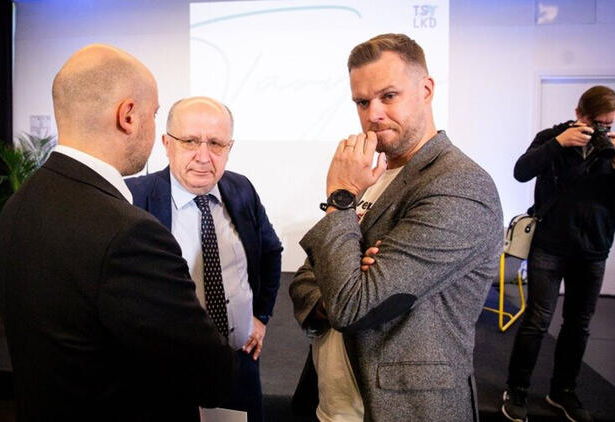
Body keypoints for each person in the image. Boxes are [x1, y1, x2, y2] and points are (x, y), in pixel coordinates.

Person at [0, 44, 238, 421]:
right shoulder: (129, 234)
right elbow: (212, 377)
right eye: (154, 114)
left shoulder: (19, 204)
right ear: (128, 116)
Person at [289, 33, 503, 422]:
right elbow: (305, 278)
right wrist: (341, 283)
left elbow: (353, 308)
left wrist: (340, 197)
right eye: (362, 102)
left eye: (388, 96)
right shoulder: (373, 175)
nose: (373, 114)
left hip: (403, 409)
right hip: (330, 405)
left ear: (426, 90)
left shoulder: (459, 185)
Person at [126, 96, 282, 422]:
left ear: (229, 147)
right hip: (165, 371)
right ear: (167, 144)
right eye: (190, 141)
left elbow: (270, 253)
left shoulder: (241, 189)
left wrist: (261, 316)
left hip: (239, 360)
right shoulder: (134, 199)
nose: (203, 156)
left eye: (216, 143)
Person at [501, 86, 615, 422]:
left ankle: (563, 390)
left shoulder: (610, 151)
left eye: (608, 125)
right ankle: (516, 389)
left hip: (593, 250)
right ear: (580, 114)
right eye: (597, 123)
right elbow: (521, 171)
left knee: (579, 326)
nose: (602, 130)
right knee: (537, 321)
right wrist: (559, 144)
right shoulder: (552, 138)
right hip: (549, 246)